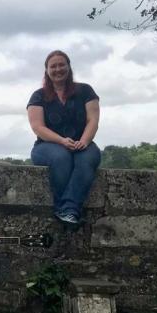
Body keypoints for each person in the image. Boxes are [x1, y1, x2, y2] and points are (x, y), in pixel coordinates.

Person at [27, 49, 101, 226]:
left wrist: (84, 141)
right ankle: (67, 209)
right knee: (61, 157)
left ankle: (67, 209)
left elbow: (93, 120)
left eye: (62, 65)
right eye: (53, 66)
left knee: (88, 159)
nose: (58, 69)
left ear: (68, 67)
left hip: (83, 142)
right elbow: (38, 127)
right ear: (47, 70)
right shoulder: (38, 96)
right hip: (47, 145)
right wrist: (61, 141)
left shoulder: (85, 91)